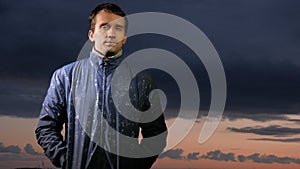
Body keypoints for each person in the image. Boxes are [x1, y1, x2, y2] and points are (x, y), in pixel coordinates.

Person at [35, 3, 167, 169]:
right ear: (91, 34)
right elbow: (46, 128)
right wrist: (67, 161)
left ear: (124, 38)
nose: (111, 33)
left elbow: (156, 133)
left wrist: (135, 165)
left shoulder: (142, 80)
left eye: (118, 28)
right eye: (105, 26)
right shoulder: (65, 77)